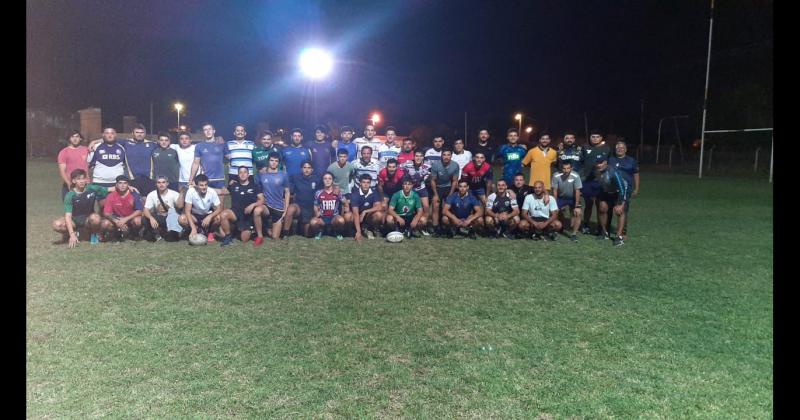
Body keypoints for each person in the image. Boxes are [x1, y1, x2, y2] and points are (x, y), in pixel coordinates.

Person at [52, 169, 106, 247]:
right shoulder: (70, 195)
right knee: (57, 224)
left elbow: (110, 190)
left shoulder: (92, 188)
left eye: (83, 178)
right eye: (78, 179)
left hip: (88, 220)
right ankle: (69, 234)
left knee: (96, 218)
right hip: (74, 220)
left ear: (86, 180)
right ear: (74, 181)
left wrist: (127, 187)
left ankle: (93, 234)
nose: (81, 181)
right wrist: (72, 234)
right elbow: (68, 216)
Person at [180, 173, 233, 246]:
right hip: (195, 216)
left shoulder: (212, 192)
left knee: (218, 217)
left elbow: (219, 208)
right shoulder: (191, 192)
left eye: (205, 185)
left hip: (208, 215)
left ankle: (211, 232)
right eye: (201, 185)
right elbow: (187, 211)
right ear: (196, 185)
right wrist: (193, 228)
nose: (204, 187)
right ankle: (195, 230)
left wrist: (209, 217)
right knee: (181, 219)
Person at [223, 165, 268, 246]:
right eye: (240, 172)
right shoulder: (233, 185)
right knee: (223, 215)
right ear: (238, 175)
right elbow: (222, 191)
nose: (243, 174)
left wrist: (253, 205)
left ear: (248, 174)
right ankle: (228, 237)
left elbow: (262, 200)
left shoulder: (254, 186)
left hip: (247, 216)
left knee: (244, 239)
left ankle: (252, 230)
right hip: (235, 214)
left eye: (245, 172)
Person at [579, 129, 611, 235]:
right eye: (593, 136)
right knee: (588, 204)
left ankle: (600, 227)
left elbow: (611, 162)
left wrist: (606, 165)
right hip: (587, 180)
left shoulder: (607, 148)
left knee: (599, 204)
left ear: (601, 138)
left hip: (600, 181)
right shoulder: (585, 147)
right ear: (590, 138)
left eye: (597, 137)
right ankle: (586, 225)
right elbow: (579, 161)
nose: (595, 138)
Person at [257, 152, 296, 240]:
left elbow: (287, 192)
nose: (274, 163)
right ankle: (260, 234)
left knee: (275, 237)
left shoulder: (283, 175)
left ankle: (268, 228)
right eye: (271, 160)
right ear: (268, 161)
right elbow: (257, 190)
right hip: (266, 206)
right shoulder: (262, 175)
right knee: (257, 210)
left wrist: (285, 210)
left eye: (276, 161)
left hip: (278, 207)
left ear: (279, 163)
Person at [594, 157, 630, 247]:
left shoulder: (613, 172)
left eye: (601, 163)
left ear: (605, 162)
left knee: (619, 211)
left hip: (620, 192)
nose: (598, 165)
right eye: (597, 163)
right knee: (602, 208)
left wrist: (620, 203)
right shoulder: (597, 171)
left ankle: (619, 237)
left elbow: (622, 188)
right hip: (607, 192)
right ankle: (605, 233)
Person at [608, 140, 640, 237]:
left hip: (626, 190)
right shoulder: (610, 160)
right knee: (609, 209)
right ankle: (606, 230)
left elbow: (636, 174)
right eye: (618, 148)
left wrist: (636, 188)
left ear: (625, 149)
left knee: (622, 210)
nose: (620, 149)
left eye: (622, 148)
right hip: (612, 189)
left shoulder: (631, 161)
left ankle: (622, 232)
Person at [101, 175, 144, 241]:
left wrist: (126, 219)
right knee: (105, 223)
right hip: (116, 220)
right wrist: (116, 221)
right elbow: (106, 213)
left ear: (128, 185)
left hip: (130, 219)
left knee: (138, 220)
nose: (122, 185)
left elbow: (139, 210)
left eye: (125, 183)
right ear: (116, 185)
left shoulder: (134, 194)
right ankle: (114, 234)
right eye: (120, 183)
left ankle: (134, 234)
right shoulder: (111, 195)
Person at [142, 175, 183, 242]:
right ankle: (155, 234)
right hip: (158, 217)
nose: (161, 184)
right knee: (144, 218)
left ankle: (172, 232)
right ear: (156, 184)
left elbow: (180, 206)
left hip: (171, 218)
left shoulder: (174, 194)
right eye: (159, 182)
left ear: (167, 183)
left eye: (163, 182)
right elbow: (146, 209)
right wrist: (151, 218)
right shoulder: (152, 194)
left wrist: (181, 193)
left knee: (171, 239)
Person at [189, 123, 227, 195]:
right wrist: (191, 180)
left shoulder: (221, 144)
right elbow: (196, 163)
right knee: (205, 204)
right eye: (205, 130)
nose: (208, 131)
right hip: (205, 179)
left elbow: (230, 156)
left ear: (214, 131)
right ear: (203, 132)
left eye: (210, 129)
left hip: (220, 179)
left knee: (219, 205)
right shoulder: (199, 146)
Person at [401, 150, 433, 235]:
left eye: (420, 156)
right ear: (413, 157)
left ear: (423, 157)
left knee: (426, 207)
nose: (418, 158)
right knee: (409, 207)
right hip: (411, 189)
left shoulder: (428, 165)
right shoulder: (407, 164)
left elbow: (430, 175)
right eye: (416, 156)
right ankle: (407, 227)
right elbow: (398, 169)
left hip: (421, 188)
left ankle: (422, 226)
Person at [429, 148, 459, 236]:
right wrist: (435, 194)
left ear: (451, 156)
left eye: (448, 155)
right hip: (437, 187)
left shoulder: (455, 165)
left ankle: (449, 226)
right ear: (441, 156)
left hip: (449, 187)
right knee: (436, 205)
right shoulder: (436, 165)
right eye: (444, 155)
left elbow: (454, 181)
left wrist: (451, 194)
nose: (446, 157)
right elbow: (433, 180)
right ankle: (436, 228)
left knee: (448, 207)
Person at [122, 124, 157, 199]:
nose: (139, 134)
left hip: (148, 179)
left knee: (148, 203)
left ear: (145, 134)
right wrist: (94, 141)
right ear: (132, 133)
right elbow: (109, 140)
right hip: (132, 179)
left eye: (142, 132)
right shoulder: (126, 143)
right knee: (134, 203)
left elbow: (166, 146)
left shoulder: (151, 144)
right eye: (137, 132)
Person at [551, 161, 583, 242]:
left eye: (568, 168)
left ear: (571, 168)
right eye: (564, 168)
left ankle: (574, 234)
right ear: (561, 168)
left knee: (578, 212)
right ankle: (556, 229)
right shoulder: (556, 175)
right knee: (554, 211)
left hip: (572, 198)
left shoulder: (575, 176)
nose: (566, 170)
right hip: (561, 197)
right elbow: (554, 190)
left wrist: (576, 205)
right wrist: (554, 204)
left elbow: (577, 191)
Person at [288, 161, 321, 237]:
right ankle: (286, 232)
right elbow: (289, 190)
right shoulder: (295, 178)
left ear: (312, 169)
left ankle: (305, 227)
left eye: (309, 168)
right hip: (299, 207)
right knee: (291, 209)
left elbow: (322, 192)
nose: (306, 170)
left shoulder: (317, 179)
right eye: (304, 167)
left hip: (311, 207)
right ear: (301, 169)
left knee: (307, 235)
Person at [310, 172, 346, 240]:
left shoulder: (337, 192)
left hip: (334, 217)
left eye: (330, 178)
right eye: (325, 178)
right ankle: (320, 231)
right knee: (313, 222)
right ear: (322, 180)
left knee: (341, 220)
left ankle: (336, 231)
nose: (327, 180)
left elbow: (344, 202)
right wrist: (316, 213)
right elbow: (315, 205)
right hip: (323, 217)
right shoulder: (318, 193)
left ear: (332, 180)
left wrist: (342, 214)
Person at [349, 174, 385, 240]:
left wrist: (365, 211)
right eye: (364, 182)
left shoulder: (374, 192)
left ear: (370, 184)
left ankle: (371, 229)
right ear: (360, 183)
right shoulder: (355, 194)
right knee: (349, 216)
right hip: (358, 217)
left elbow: (379, 207)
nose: (366, 184)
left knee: (379, 214)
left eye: (368, 182)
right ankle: (353, 230)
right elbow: (355, 214)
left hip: (368, 216)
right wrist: (358, 232)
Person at [57, 131, 89, 200]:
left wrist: (93, 142)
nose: (75, 139)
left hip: (84, 185)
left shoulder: (86, 150)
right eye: (72, 137)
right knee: (70, 208)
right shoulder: (64, 152)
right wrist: (68, 183)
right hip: (70, 185)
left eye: (77, 136)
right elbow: (62, 171)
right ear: (69, 139)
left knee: (85, 209)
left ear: (80, 138)